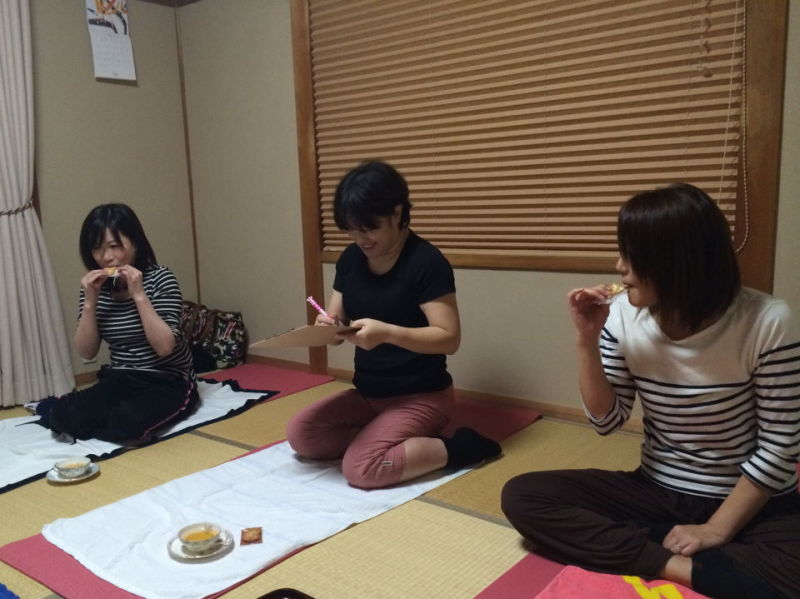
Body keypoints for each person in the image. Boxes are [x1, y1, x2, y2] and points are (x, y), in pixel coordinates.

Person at [501, 183, 800, 599]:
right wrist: (587, 340)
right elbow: (607, 421)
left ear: (678, 262)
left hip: (748, 498)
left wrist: (716, 528)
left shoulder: (767, 321)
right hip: (658, 489)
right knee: (523, 496)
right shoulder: (622, 317)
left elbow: (781, 446)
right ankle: (676, 563)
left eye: (632, 255)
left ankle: (654, 542)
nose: (619, 267)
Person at [286, 161, 501, 489]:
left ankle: (459, 447)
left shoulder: (426, 262)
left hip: (422, 396)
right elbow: (336, 327)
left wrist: (387, 333)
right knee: (302, 435)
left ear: (397, 213)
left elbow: (449, 338)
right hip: (368, 393)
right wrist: (328, 326)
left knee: (361, 469)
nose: (360, 239)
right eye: (351, 229)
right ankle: (383, 439)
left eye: (369, 228)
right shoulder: (351, 259)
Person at [36, 203, 197, 442]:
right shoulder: (94, 288)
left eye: (114, 246)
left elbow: (164, 348)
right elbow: (87, 352)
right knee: (63, 417)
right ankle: (100, 417)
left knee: (127, 422)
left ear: (135, 243)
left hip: (169, 379)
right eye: (97, 248)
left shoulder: (161, 278)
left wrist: (139, 295)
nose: (106, 257)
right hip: (121, 378)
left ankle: (110, 419)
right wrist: (90, 302)